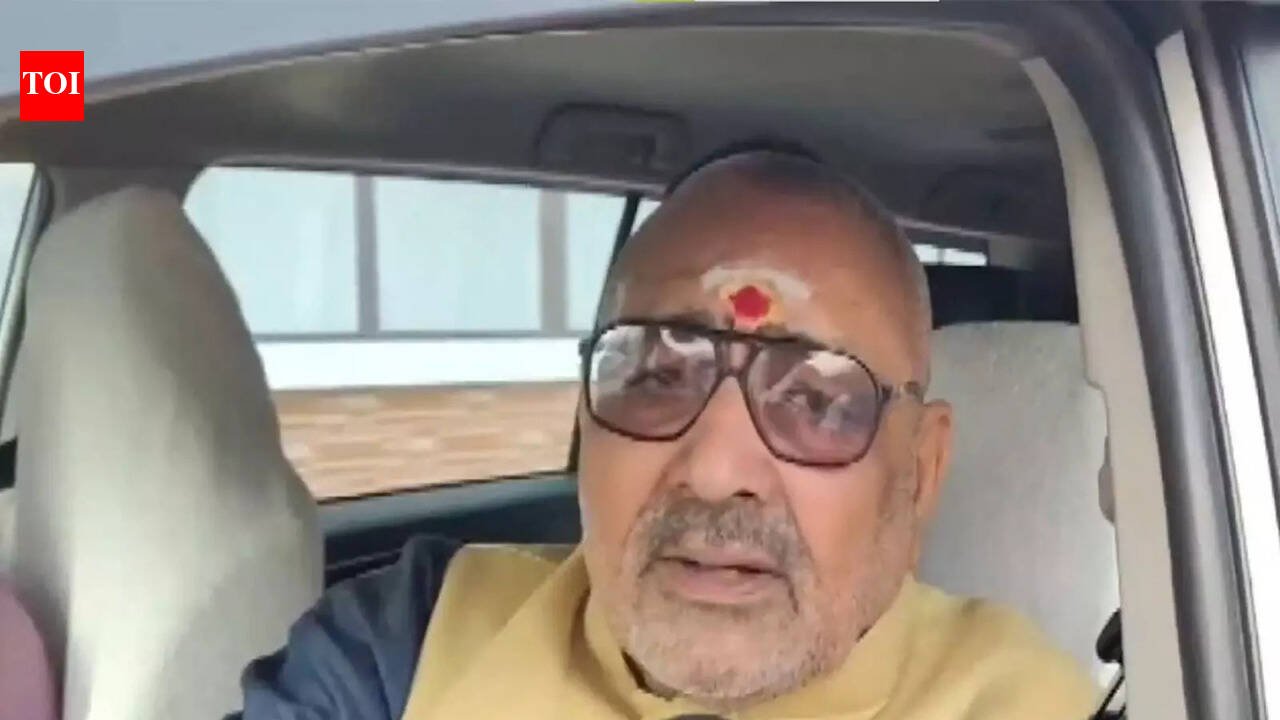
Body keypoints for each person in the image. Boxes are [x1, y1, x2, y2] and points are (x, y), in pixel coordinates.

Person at [233, 145, 1098, 719]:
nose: (716, 470)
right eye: (655, 376)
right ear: (587, 416)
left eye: (815, 400)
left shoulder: (1027, 707)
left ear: (922, 471)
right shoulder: (411, 642)